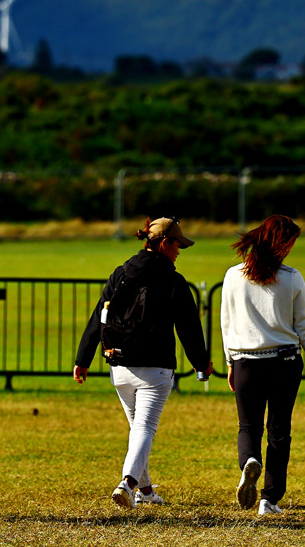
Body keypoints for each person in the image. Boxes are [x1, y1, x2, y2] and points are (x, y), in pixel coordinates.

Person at [73, 216, 213, 509]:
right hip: (155, 368)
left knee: (138, 429)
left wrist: (83, 358)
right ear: (163, 244)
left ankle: (145, 491)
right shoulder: (174, 281)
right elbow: (188, 326)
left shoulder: (121, 273)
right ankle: (127, 484)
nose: (179, 251)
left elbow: (99, 314)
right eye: (177, 245)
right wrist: (201, 362)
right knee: (145, 429)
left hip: (119, 365)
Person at [220, 214, 305, 516]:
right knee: (279, 431)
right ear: (281, 243)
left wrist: (230, 362)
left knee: (248, 426)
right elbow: (304, 327)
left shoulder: (232, 276)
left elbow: (226, 323)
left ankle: (249, 462)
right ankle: (269, 500)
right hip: (284, 363)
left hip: (245, 362)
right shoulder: (292, 278)